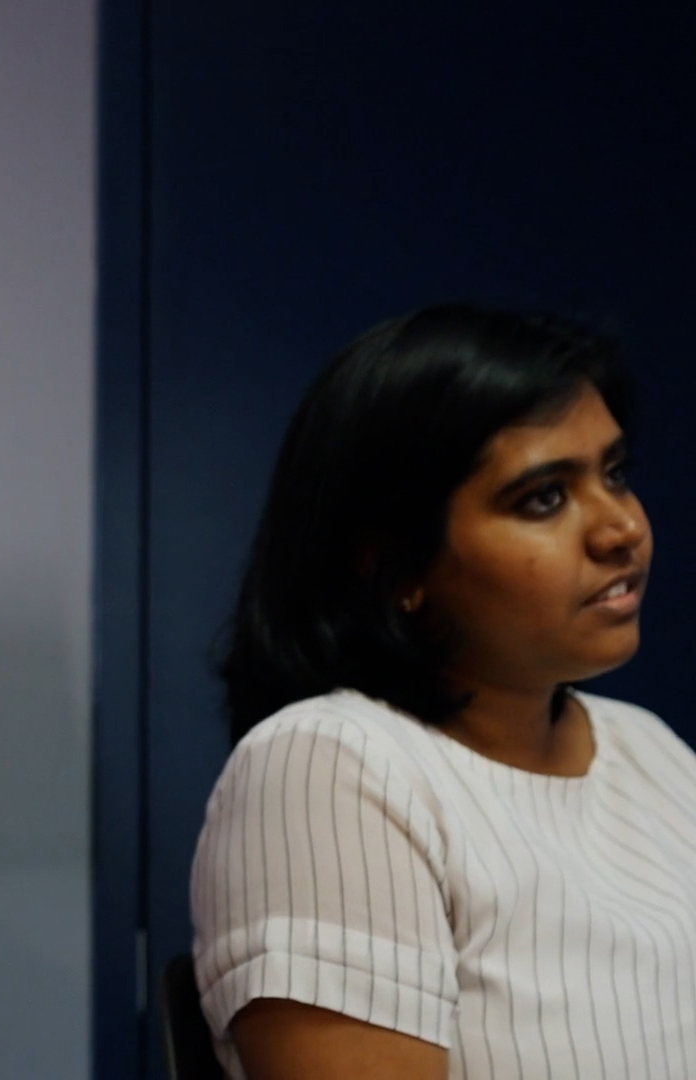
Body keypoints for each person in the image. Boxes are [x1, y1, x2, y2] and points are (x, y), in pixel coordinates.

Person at [190, 304, 696, 1079]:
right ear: (394, 565)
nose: (619, 528)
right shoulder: (329, 768)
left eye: (615, 474)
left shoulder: (651, 749)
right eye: (543, 499)